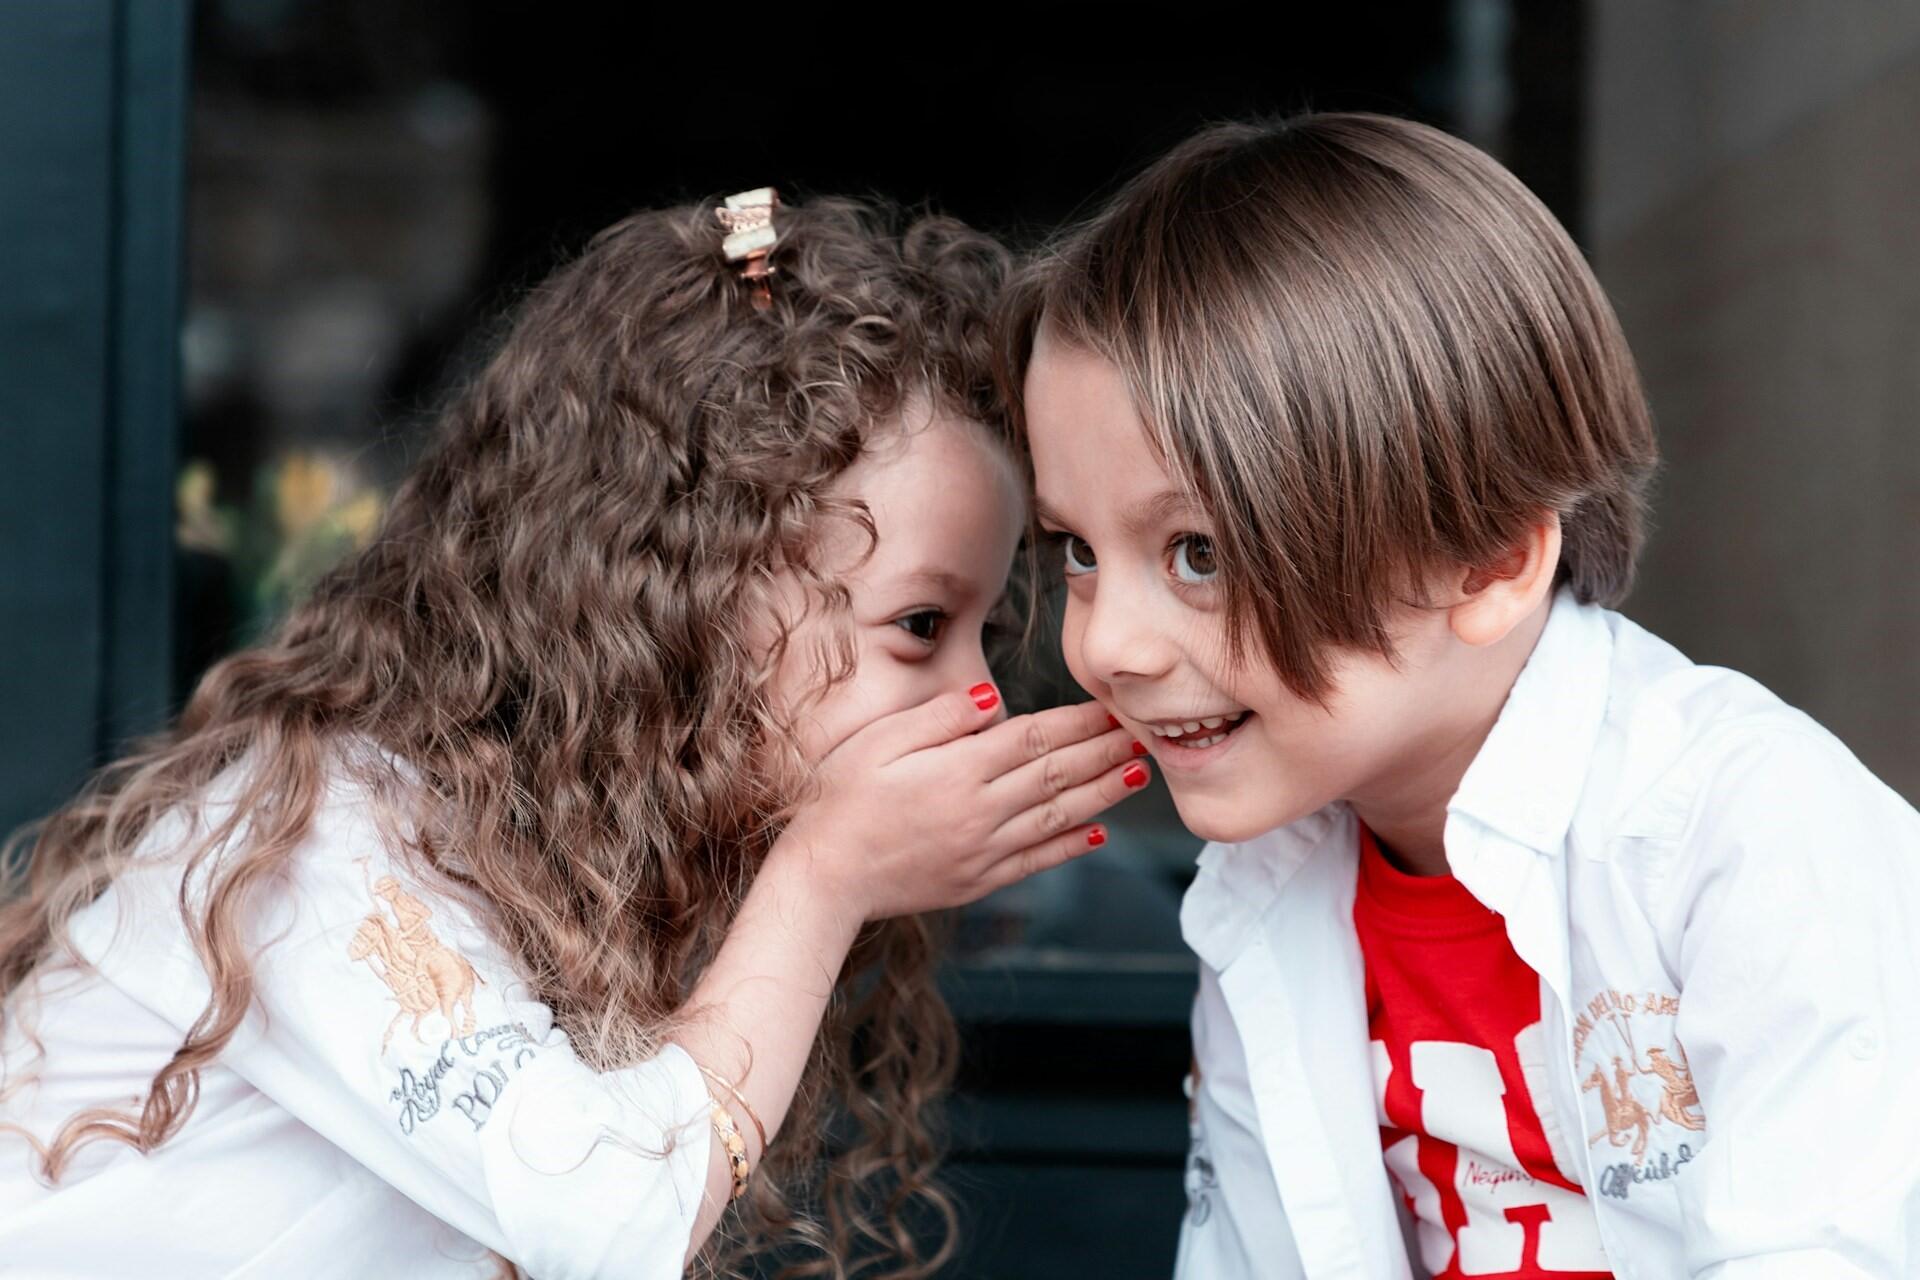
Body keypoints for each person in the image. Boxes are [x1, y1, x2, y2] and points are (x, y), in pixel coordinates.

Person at [0, 191, 1149, 1279]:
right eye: (919, 624)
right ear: (690, 593)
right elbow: (604, 1215)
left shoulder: (597, 851)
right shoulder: (318, 835)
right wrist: (824, 877)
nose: (978, 692)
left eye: (985, 632)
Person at [1000, 114, 1920, 1278]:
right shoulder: (1266, 895)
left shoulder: (1746, 835)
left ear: (1487, 559)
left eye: (1198, 552)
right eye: (1077, 549)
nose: (1109, 645)